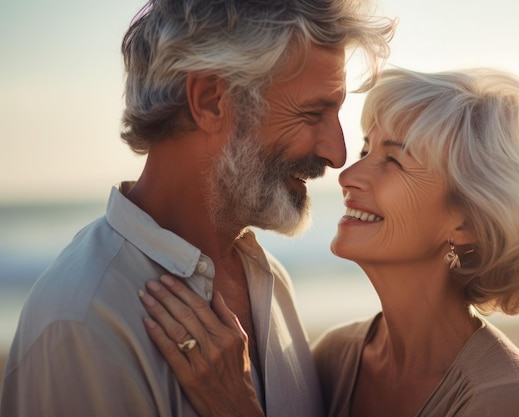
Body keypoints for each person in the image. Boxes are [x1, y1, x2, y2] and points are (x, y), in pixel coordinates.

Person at [137, 68, 519, 417]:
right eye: (366, 148)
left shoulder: (510, 399)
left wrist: (236, 409)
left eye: (393, 161)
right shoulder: (332, 358)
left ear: (467, 223)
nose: (347, 175)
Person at [0, 1, 394, 416]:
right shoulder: (79, 322)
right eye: (312, 113)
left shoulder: (270, 279)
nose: (337, 154)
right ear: (210, 101)